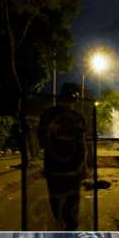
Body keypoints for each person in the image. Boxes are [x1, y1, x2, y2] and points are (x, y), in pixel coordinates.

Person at [37, 83, 87, 230]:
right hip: (72, 170)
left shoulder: (47, 115)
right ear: (75, 100)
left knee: (57, 205)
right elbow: (82, 145)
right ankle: (69, 236)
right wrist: (84, 167)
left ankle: (61, 231)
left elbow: (41, 142)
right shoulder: (78, 118)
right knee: (71, 208)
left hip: (55, 169)